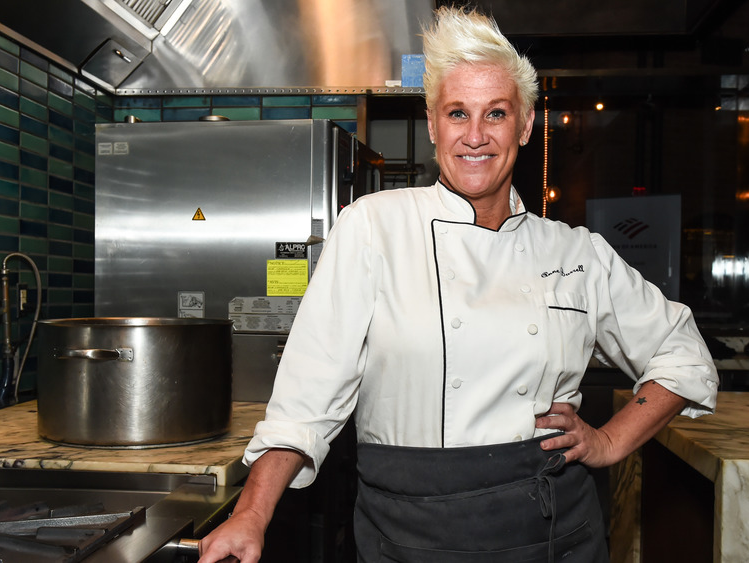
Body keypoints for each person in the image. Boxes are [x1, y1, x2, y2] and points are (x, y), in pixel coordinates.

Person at [199, 6, 718, 563]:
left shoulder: (574, 252)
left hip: (549, 532)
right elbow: (306, 399)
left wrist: (610, 440)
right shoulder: (374, 227)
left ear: (523, 126)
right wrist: (252, 514)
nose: (475, 136)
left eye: (495, 114)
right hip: (408, 532)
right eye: (457, 113)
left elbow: (682, 352)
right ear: (432, 126)